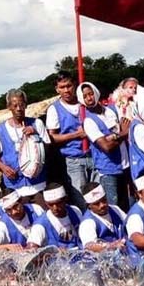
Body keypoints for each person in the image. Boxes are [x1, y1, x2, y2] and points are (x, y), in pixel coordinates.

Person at [0, 89, 49, 203]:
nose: (19, 109)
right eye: (15, 106)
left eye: (21, 105)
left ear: (26, 105)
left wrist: (36, 134)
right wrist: (3, 168)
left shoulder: (37, 124)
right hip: (15, 186)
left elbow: (48, 148)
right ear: (9, 107)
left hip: (38, 184)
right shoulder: (0, 130)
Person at [80, 81, 130, 210]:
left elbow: (128, 124)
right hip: (108, 170)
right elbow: (106, 146)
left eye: (91, 94)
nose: (89, 98)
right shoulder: (89, 121)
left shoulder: (112, 110)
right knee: (114, 207)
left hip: (126, 165)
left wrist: (115, 137)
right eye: (85, 96)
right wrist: (123, 134)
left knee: (130, 203)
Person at [46, 72, 92, 209]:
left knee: (97, 195)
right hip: (73, 159)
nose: (66, 90)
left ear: (75, 85)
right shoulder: (54, 109)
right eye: (62, 87)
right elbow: (52, 137)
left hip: (95, 156)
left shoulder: (84, 103)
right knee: (81, 199)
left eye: (69, 86)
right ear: (57, 89)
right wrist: (76, 135)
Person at [27, 183, 83, 249]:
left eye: (58, 203)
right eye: (50, 204)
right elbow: (31, 249)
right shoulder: (40, 224)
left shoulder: (75, 211)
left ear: (65, 199)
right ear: (46, 204)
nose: (55, 208)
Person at [78, 182, 128, 252]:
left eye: (104, 200)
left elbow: (130, 223)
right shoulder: (87, 223)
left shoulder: (115, 209)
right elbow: (89, 247)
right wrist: (111, 246)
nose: (102, 205)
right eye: (96, 203)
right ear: (89, 205)